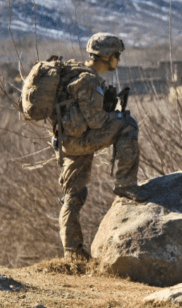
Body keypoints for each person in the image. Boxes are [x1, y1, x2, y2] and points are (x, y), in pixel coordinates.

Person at [55, 33, 147, 261]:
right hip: (80, 142)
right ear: (106, 56)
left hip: (68, 142)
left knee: (73, 195)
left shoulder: (77, 74)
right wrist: (115, 113)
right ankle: (126, 184)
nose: (118, 60)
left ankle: (72, 252)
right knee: (127, 124)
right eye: (116, 55)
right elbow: (97, 122)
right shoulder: (88, 80)